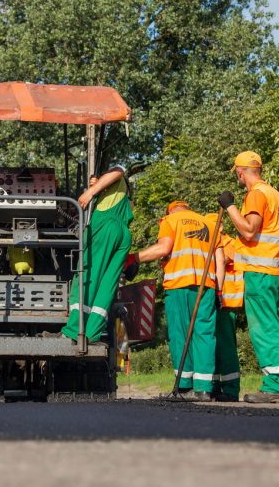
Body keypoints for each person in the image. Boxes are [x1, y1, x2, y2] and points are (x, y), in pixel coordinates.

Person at [218, 150, 279, 404]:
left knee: (264, 328)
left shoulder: (256, 195)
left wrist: (230, 207)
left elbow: (250, 231)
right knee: (277, 326)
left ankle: (273, 387)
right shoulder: (277, 195)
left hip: (261, 271)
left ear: (241, 172)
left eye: (237, 174)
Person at [124, 201, 222, 401]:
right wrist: (219, 291)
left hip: (179, 284)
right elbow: (219, 259)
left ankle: (184, 387)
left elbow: (163, 248)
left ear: (169, 210)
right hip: (207, 286)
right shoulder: (209, 224)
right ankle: (203, 389)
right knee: (204, 334)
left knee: (180, 334)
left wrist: (134, 258)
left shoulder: (171, 220)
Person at [60, 165, 133, 343]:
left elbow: (118, 170)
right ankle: (92, 333)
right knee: (106, 286)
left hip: (105, 228)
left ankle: (73, 330)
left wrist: (91, 191)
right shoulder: (118, 195)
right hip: (123, 235)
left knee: (88, 277)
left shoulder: (115, 180)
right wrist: (97, 186)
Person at [205, 212, 243, 402]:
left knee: (226, 348)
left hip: (225, 303)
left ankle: (231, 389)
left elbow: (218, 261)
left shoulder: (228, 244)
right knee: (214, 347)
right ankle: (216, 386)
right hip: (215, 302)